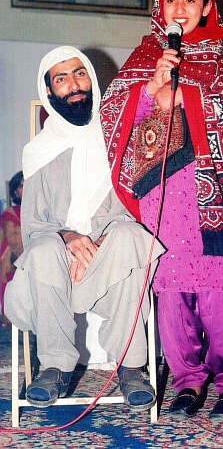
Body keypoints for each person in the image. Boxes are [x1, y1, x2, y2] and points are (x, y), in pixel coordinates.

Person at [100, 0, 223, 420]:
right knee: (173, 288)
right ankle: (186, 381)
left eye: (190, 0)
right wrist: (151, 87)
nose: (180, 9)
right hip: (164, 192)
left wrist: (184, 97)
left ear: (206, 7)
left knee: (220, 290)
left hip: (215, 188)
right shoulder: (147, 53)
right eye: (171, 0)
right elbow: (114, 108)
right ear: (160, 7)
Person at [4, 46, 164, 411]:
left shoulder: (116, 139)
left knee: (130, 237)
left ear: (91, 79)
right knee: (44, 249)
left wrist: (98, 240)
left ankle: (130, 366)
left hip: (106, 268)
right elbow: (33, 230)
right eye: (61, 79)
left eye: (79, 74)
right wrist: (68, 238)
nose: (73, 84)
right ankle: (55, 368)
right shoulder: (38, 152)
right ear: (49, 92)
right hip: (51, 276)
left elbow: (131, 209)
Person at [0, 171, 24, 326]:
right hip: (11, 258)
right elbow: (11, 238)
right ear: (15, 190)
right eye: (21, 185)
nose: (26, 188)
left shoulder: (39, 212)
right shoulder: (9, 212)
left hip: (31, 256)